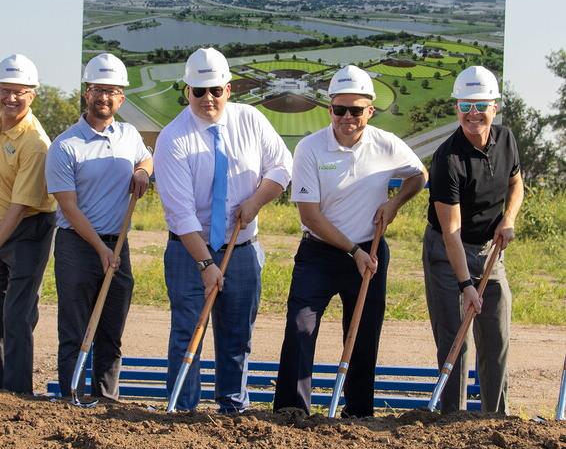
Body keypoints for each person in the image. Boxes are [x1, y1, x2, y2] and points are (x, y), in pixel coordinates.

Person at [273, 65, 427, 417]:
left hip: (370, 252)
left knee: (363, 333)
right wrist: (352, 251)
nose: (347, 117)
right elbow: (309, 216)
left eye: (356, 110)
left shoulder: (386, 144)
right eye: (340, 109)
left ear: (369, 111)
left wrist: (395, 202)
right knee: (300, 326)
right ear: (329, 110)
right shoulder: (310, 149)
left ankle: (359, 412)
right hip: (320, 253)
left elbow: (419, 175)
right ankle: (291, 410)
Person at [153, 47, 293, 413]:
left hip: (242, 249)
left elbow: (282, 167)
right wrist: (206, 265)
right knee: (187, 334)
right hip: (189, 251)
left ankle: (233, 407)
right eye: (199, 91)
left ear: (229, 89)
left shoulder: (251, 120)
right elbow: (181, 215)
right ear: (187, 92)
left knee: (236, 336)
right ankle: (182, 409)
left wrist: (257, 200)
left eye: (215, 90)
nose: (208, 98)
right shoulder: (173, 139)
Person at [46, 53, 153, 401]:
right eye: (97, 90)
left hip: (117, 245)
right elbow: (69, 208)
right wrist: (100, 249)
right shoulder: (64, 146)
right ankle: (70, 396)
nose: (104, 97)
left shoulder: (128, 134)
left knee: (111, 332)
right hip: (78, 246)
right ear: (86, 94)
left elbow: (145, 157)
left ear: (121, 97)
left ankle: (106, 399)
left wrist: (142, 172)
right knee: (76, 330)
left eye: (112, 91)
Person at [422, 65, 523, 414]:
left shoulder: (506, 139)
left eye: (480, 106)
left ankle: (494, 419)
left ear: (495, 106)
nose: (473, 114)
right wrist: (465, 284)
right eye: (465, 106)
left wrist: (507, 220)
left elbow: (516, 183)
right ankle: (452, 418)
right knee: (455, 340)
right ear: (456, 109)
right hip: (447, 252)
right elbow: (451, 231)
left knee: (495, 336)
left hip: (489, 249)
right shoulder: (446, 160)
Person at [0, 54, 56, 394]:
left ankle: (17, 392)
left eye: (19, 92)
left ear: (32, 95)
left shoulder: (36, 144)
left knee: (17, 315)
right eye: (4, 90)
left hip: (29, 230)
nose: (10, 98)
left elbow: (19, 209)